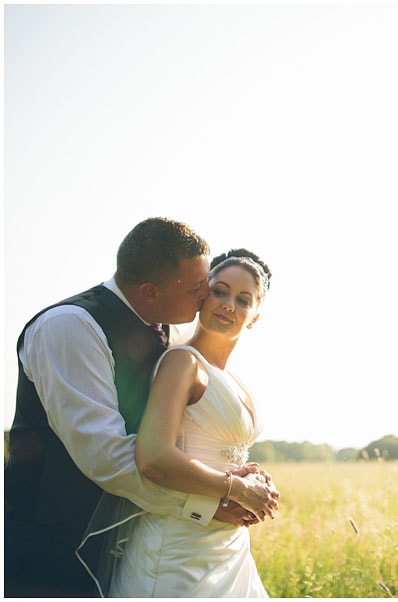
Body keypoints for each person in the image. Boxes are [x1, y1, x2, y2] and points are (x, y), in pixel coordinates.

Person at [4, 218, 269, 597]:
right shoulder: (70, 328)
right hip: (48, 543)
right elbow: (107, 457)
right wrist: (211, 501)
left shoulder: (171, 330)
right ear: (149, 292)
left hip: (128, 535)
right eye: (200, 288)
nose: (205, 300)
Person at [91, 248, 278, 597]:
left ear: (254, 316)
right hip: (178, 546)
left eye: (243, 299)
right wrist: (238, 489)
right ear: (203, 295)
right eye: (219, 291)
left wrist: (251, 476)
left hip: (227, 544)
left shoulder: (235, 380)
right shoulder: (182, 362)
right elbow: (154, 457)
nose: (227, 305)